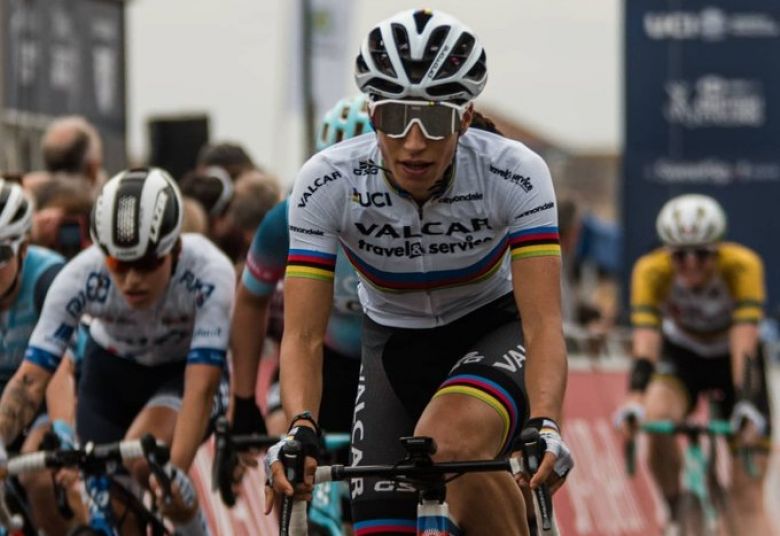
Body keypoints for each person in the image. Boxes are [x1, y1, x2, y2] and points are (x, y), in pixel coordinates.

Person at [266, 9, 573, 534]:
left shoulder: (514, 172)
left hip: (491, 329)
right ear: (372, 113)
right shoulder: (326, 181)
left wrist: (545, 422)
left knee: (447, 443)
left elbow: (543, 323)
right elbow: (302, 335)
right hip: (392, 347)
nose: (413, 142)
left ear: (465, 118)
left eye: (433, 121)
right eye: (394, 117)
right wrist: (299, 427)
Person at [0, 168, 235, 534]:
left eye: (146, 263)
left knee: (149, 466)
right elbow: (31, 380)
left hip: (181, 373)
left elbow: (201, 386)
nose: (132, 279)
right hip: (111, 374)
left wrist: (173, 473)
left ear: (175, 248)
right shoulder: (79, 277)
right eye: (118, 264)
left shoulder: (209, 271)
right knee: (112, 511)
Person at [615, 194, 774, 534]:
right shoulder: (651, 270)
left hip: (734, 360)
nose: (690, 263)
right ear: (667, 252)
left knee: (747, 496)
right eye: (679, 255)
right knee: (656, 417)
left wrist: (746, 401)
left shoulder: (742, 265)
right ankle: (675, 508)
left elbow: (744, 342)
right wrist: (635, 398)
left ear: (718, 250)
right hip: (683, 355)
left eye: (702, 254)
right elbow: (646, 341)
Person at [230, 94, 371, 461]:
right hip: (327, 357)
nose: (348, 192)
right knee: (288, 444)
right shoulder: (287, 216)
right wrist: (243, 400)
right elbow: (250, 300)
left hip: (392, 355)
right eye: (334, 174)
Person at [0, 179, 87, 533]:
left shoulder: (50, 278)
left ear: (23, 249)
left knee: (39, 475)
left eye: (0, 255)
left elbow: (59, 368)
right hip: (10, 394)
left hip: (60, 388)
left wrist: (63, 438)